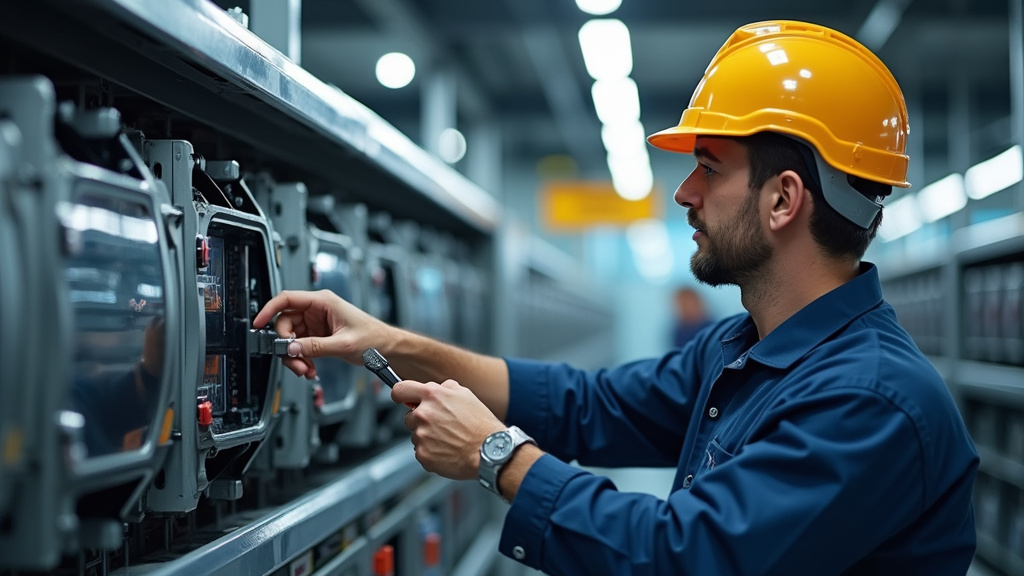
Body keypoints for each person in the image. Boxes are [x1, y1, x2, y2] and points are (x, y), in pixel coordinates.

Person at [254, 20, 978, 576]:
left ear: (783, 200)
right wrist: (385, 338)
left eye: (708, 168)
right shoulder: (742, 349)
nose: (685, 193)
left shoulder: (869, 403)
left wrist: (496, 455)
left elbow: (680, 559)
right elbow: (587, 405)